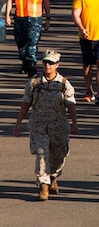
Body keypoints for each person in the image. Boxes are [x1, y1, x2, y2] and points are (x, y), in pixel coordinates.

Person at [13, 49, 77, 201]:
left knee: (59, 154)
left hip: (59, 126)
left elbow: (71, 105)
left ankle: (53, 176)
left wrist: (74, 123)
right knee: (42, 153)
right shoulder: (34, 83)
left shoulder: (63, 84)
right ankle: (43, 185)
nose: (48, 65)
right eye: (45, 62)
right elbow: (26, 103)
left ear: (57, 65)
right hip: (38, 125)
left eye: (51, 63)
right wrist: (18, 123)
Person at [5, 0, 51, 76]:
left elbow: (46, 2)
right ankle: (25, 63)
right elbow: (10, 0)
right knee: (21, 43)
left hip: (35, 19)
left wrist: (48, 19)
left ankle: (31, 66)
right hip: (20, 18)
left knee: (32, 43)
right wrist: (7, 16)